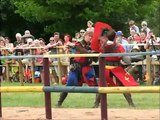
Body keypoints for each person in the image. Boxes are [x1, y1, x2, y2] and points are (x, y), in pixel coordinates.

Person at [91, 22, 138, 107]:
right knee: (122, 85)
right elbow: (127, 60)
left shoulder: (103, 46)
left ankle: (96, 104)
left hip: (107, 68)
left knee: (102, 85)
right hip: (115, 68)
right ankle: (131, 104)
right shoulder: (117, 46)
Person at [56, 31, 98, 107]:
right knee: (69, 84)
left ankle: (97, 104)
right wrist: (92, 51)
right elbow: (83, 51)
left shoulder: (92, 46)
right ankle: (59, 103)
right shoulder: (79, 44)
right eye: (89, 36)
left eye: (92, 37)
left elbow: (95, 59)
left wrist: (96, 52)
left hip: (87, 67)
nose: (90, 38)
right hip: (76, 67)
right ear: (85, 36)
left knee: (96, 85)